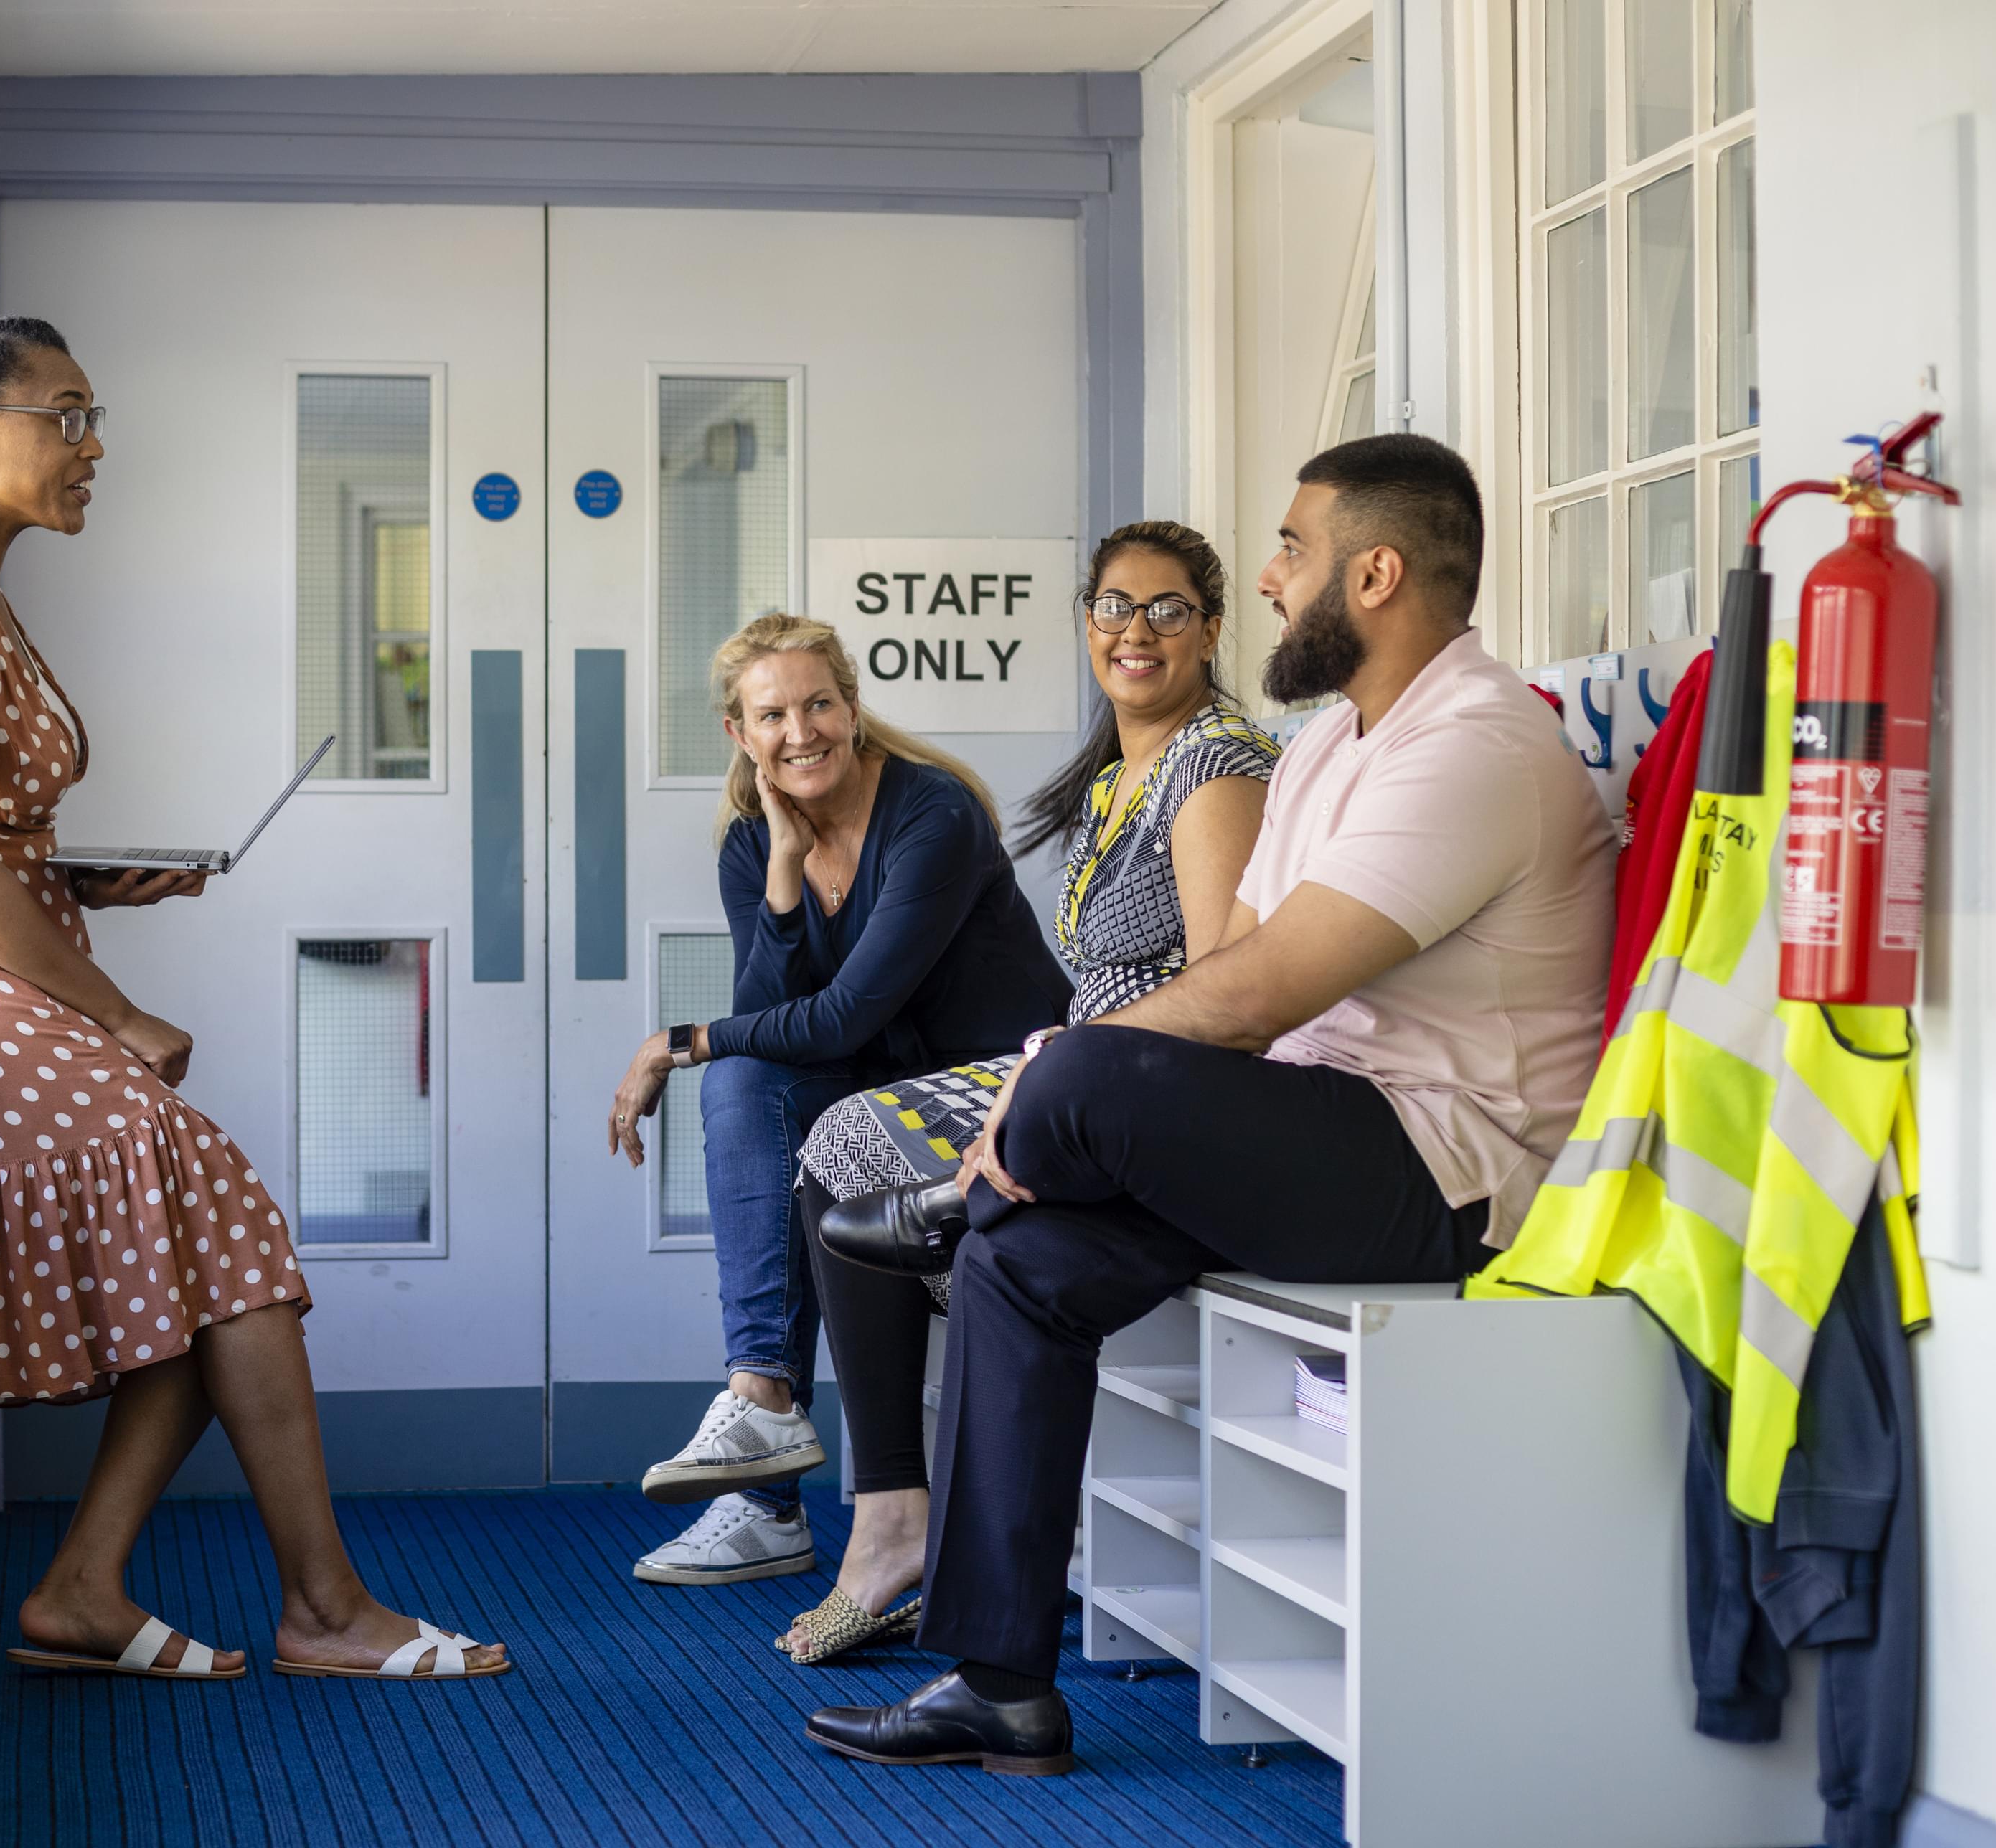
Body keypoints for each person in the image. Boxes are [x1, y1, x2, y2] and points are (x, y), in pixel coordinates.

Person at [806, 434, 1613, 1772]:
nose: (1276, 577)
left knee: (1080, 1066)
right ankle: (999, 1681)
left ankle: (955, 1199)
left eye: (1293, 551)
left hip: (1443, 1170)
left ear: (1376, 571)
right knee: (1024, 1258)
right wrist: (1066, 1081)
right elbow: (1232, 967)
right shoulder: (1323, 747)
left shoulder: (1473, 743)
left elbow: (1256, 997)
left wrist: (1060, 1082)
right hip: (1311, 1130)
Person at [0, 316, 506, 1682]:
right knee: (225, 1227)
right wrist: (115, 1013)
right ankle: (317, 1609)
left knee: (211, 1244)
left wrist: (85, 878)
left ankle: (91, 1586)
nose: (93, 449)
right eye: (66, 415)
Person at [776, 521, 1278, 1664]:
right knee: (837, 1145)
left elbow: (1221, 987)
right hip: (1083, 1062)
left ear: (1210, 626)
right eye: (1112, 607)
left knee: (854, 1147)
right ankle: (898, 1515)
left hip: (1146, 1088)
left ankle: (899, 1519)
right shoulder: (1120, 767)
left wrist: (1060, 1075)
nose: (1134, 632)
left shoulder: (1216, 766)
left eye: (1166, 609)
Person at [604, 613, 1070, 1587]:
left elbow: (845, 1019)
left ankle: (765, 1482)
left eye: (820, 703)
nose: (800, 730)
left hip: (1003, 1090)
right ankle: (764, 1412)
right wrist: (781, 877)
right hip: (886, 1096)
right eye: (772, 714)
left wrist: (675, 1043)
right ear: (741, 733)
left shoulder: (932, 814)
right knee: (748, 1092)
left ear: (853, 711)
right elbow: (771, 1034)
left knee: (762, 1089)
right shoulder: (752, 846)